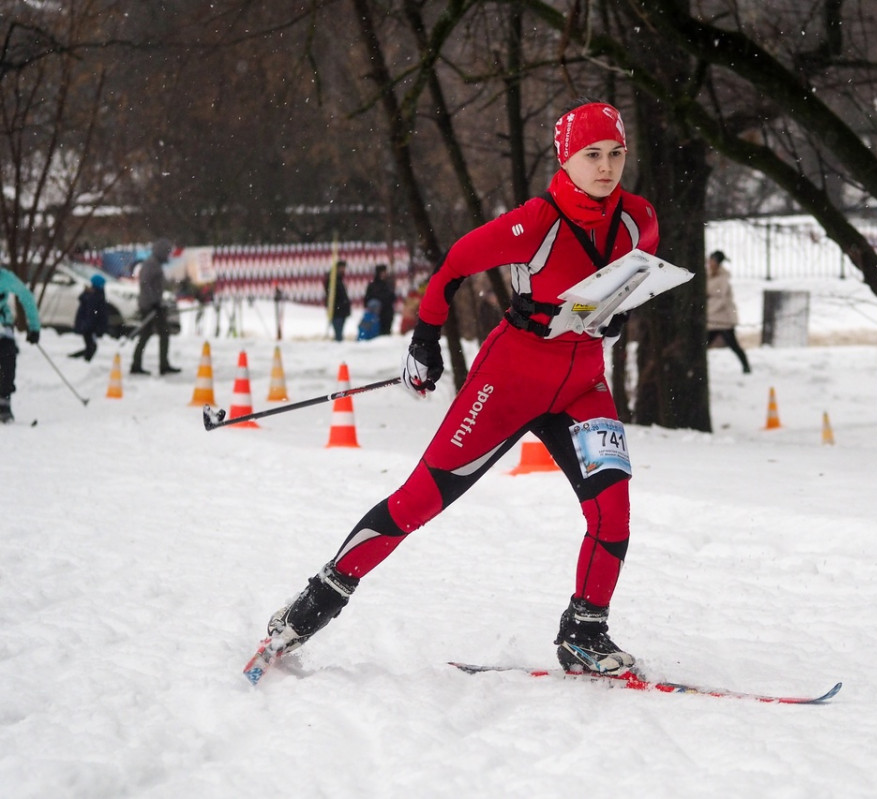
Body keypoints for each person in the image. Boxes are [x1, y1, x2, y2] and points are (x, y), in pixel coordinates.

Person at [262, 100, 659, 676]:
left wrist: (617, 314)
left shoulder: (638, 218)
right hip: (510, 383)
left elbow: (631, 277)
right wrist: (425, 339)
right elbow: (452, 269)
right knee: (418, 501)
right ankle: (312, 604)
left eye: (616, 154)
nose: (605, 167)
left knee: (613, 506)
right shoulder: (534, 222)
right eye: (591, 155)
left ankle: (584, 633)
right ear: (565, 159)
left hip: (582, 385)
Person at [131, 238, 180, 375]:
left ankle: (139, 363)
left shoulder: (155, 264)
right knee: (160, 333)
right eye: (167, 253)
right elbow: (145, 285)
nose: (168, 256)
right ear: (161, 252)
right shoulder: (151, 264)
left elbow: (156, 286)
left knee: (148, 334)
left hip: (154, 305)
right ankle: (158, 365)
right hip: (149, 306)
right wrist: (153, 303)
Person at [0, 266, 42, 424]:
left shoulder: (5, 278)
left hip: (3, 328)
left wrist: (34, 327)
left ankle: (4, 400)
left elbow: (26, 297)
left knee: (8, 359)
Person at [705, 250, 751, 374]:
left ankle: (746, 367)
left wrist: (709, 311)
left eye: (713, 261)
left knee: (733, 345)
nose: (710, 263)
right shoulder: (708, 275)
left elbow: (723, 299)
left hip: (722, 318)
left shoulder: (723, 278)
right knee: (704, 343)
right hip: (712, 317)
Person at [69, 274, 108, 362]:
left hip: (89, 326)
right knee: (91, 346)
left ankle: (80, 359)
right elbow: (94, 314)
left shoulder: (92, 295)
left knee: (91, 346)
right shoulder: (95, 296)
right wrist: (95, 327)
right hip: (90, 327)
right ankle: (83, 361)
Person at [363, 264, 397, 335]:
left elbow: (392, 297)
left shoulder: (388, 284)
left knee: (386, 333)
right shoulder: (373, 285)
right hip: (375, 315)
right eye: (382, 273)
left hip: (387, 314)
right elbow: (367, 299)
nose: (383, 275)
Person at [326, 260, 351, 341]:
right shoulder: (333, 280)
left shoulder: (338, 280)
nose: (343, 270)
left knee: (339, 334)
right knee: (338, 335)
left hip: (341, 310)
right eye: (341, 268)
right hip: (337, 311)